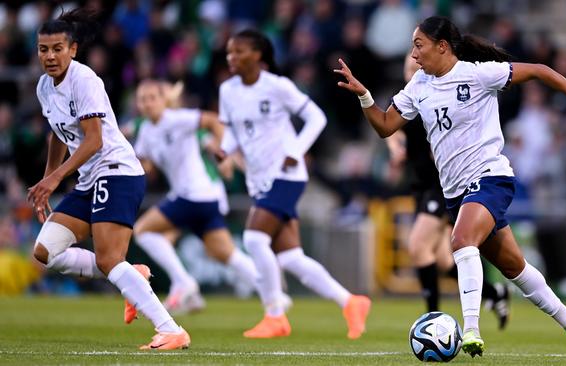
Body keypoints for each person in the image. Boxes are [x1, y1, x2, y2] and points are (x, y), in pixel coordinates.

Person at [335, 16, 566, 360]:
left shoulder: (478, 74)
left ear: (442, 47)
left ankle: (470, 329)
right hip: (456, 192)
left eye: (419, 45)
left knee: (460, 241)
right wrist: (364, 95)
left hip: (490, 177)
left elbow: (541, 71)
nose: (413, 54)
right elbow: (384, 125)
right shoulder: (419, 86)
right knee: (516, 269)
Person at [29, 8, 190, 350]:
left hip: (116, 171)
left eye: (58, 48)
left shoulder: (85, 80)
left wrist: (55, 179)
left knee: (107, 259)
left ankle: (171, 329)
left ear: (72, 49)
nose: (50, 56)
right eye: (44, 49)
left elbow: (94, 140)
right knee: (47, 252)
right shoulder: (45, 86)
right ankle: (133, 274)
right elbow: (57, 135)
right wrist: (46, 182)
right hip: (89, 178)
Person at [218, 29, 371, 339]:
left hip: (286, 175)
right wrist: (224, 149)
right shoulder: (228, 91)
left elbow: (317, 117)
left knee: (254, 239)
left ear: (258, 55)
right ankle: (351, 302)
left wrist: (296, 150)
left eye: (239, 51)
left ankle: (275, 314)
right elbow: (234, 131)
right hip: (259, 177)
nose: (232, 57)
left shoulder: (277, 86)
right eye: (229, 52)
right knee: (290, 258)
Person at [387, 54, 510, 328]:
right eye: (408, 65)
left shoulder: (437, 96)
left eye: (416, 64)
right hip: (421, 185)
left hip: (441, 185)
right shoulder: (410, 97)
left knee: (418, 245)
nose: (413, 68)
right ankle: (493, 292)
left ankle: (431, 319)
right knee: (443, 258)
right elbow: (394, 132)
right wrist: (396, 152)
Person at [129, 79, 261, 316]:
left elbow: (212, 122)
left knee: (144, 231)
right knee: (224, 252)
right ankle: (272, 289)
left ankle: (183, 283)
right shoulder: (147, 131)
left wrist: (225, 154)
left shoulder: (178, 120)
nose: (147, 104)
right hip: (197, 197)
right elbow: (146, 165)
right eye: (142, 99)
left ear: (162, 100)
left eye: (151, 98)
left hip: (195, 194)